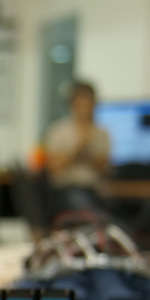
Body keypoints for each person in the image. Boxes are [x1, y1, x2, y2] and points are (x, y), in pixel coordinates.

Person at [43, 80, 110, 212]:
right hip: (66, 190)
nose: (84, 109)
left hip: (94, 189)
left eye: (88, 104)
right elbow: (53, 168)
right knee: (85, 206)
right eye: (80, 104)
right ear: (72, 105)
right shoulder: (58, 131)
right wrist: (76, 151)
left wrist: (88, 151)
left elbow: (103, 168)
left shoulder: (102, 134)